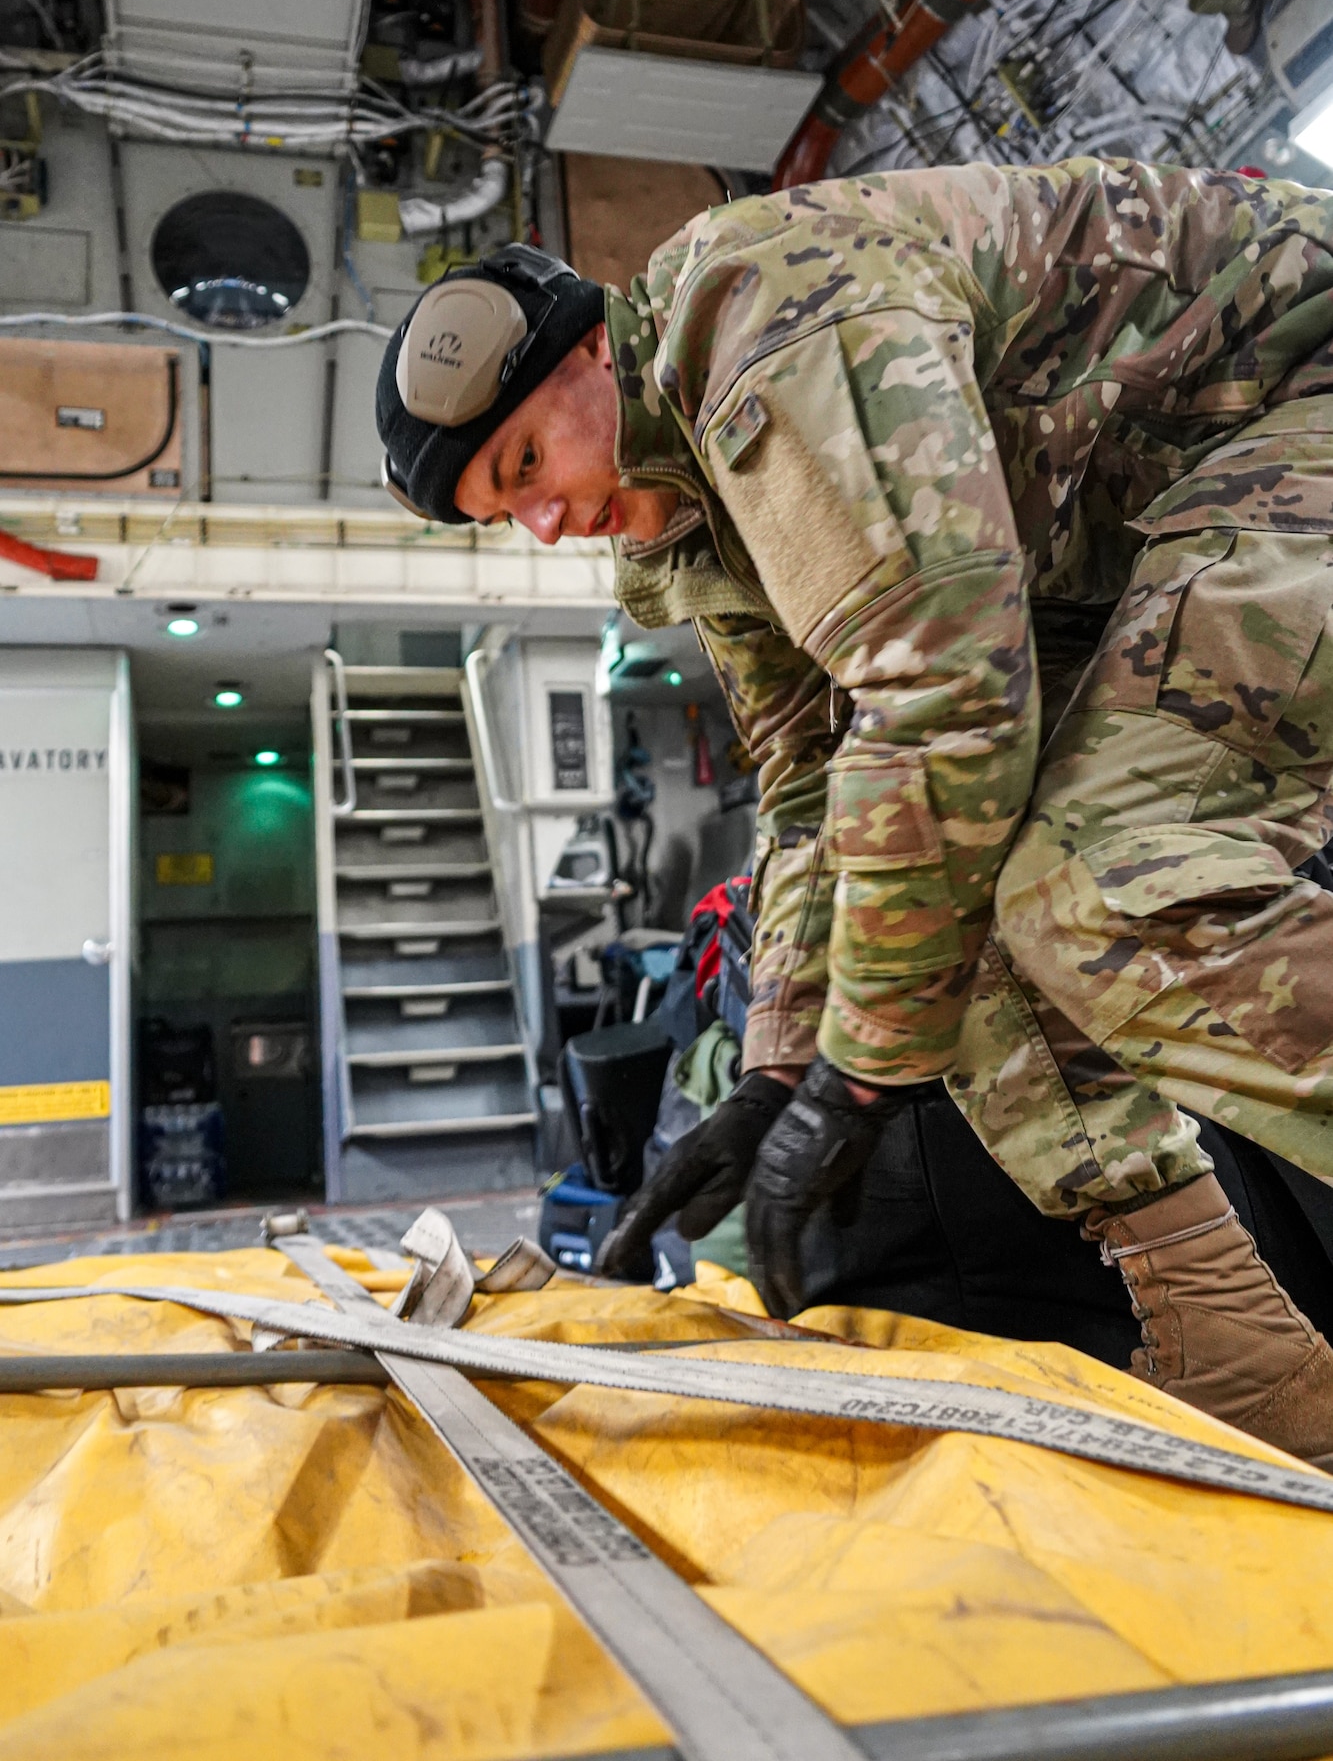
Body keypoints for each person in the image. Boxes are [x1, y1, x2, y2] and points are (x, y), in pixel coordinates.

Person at [376, 161, 1333, 1464]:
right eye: (508, 511)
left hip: (1291, 408)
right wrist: (776, 1067)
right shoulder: (679, 509)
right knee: (960, 919)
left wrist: (859, 1069)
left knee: (1095, 876)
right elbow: (811, 787)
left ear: (594, 347)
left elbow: (946, 710)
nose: (546, 521)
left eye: (529, 461)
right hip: (1136, 509)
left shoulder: (760, 315)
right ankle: (1244, 1349)